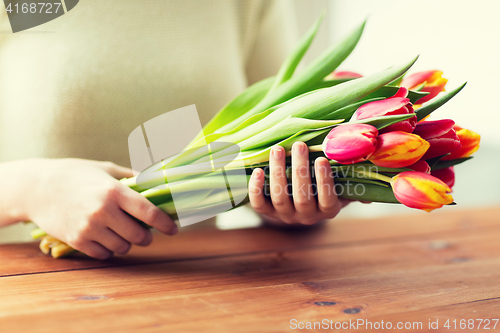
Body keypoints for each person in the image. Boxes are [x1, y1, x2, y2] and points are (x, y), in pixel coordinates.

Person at [0, 0, 347, 259]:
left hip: (201, 287)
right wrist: (32, 188)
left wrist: (292, 206)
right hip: (30, 287)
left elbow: (271, 152)